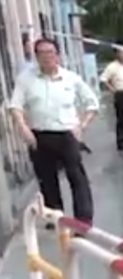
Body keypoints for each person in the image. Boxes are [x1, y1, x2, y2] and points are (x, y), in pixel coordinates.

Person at [9, 37, 100, 224]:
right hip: (39, 136)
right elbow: (15, 106)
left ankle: (83, 221)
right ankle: (55, 218)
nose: (46, 57)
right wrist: (23, 128)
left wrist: (81, 125)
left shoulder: (71, 78)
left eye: (50, 52)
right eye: (41, 53)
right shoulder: (26, 79)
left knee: (77, 177)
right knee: (47, 180)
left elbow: (92, 104)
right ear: (36, 56)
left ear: (57, 55)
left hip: (67, 134)